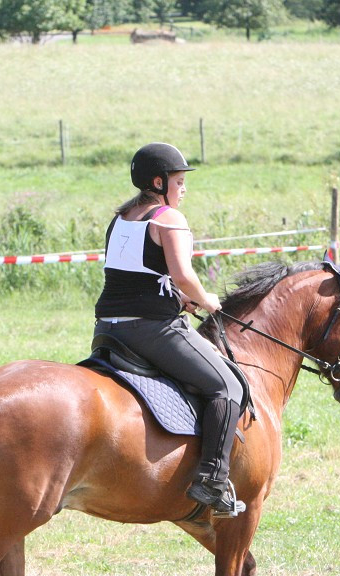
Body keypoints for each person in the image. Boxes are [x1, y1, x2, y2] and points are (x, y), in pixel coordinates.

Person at [93, 142, 245, 517]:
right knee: (227, 385)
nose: (183, 189)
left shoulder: (121, 217)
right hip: (151, 329)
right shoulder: (169, 219)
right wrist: (205, 298)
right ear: (158, 182)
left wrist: (178, 298)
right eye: (179, 181)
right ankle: (211, 479)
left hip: (108, 329)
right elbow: (183, 273)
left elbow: (135, 276)